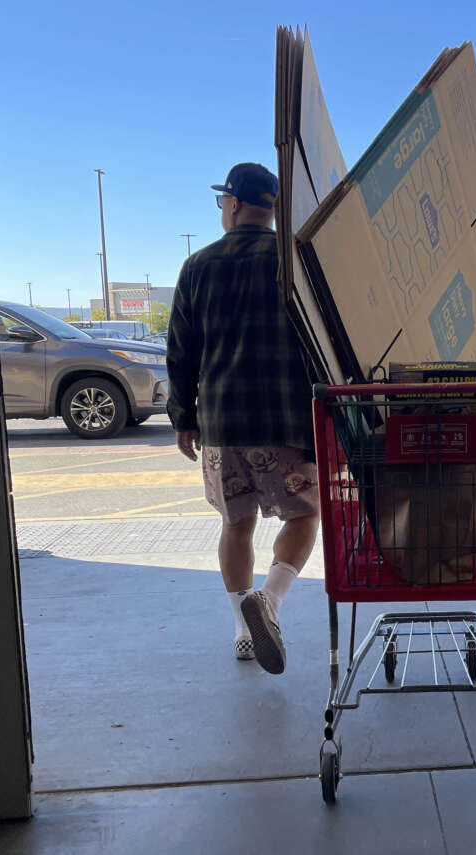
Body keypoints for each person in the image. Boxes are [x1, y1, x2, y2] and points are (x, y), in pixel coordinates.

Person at [166, 162, 319, 675]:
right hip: (287, 422)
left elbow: (181, 353)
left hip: (222, 424)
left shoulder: (198, 266)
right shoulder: (294, 262)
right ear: (271, 207)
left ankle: (241, 630)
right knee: (304, 515)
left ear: (232, 203)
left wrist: (183, 417)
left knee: (236, 523)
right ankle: (270, 601)